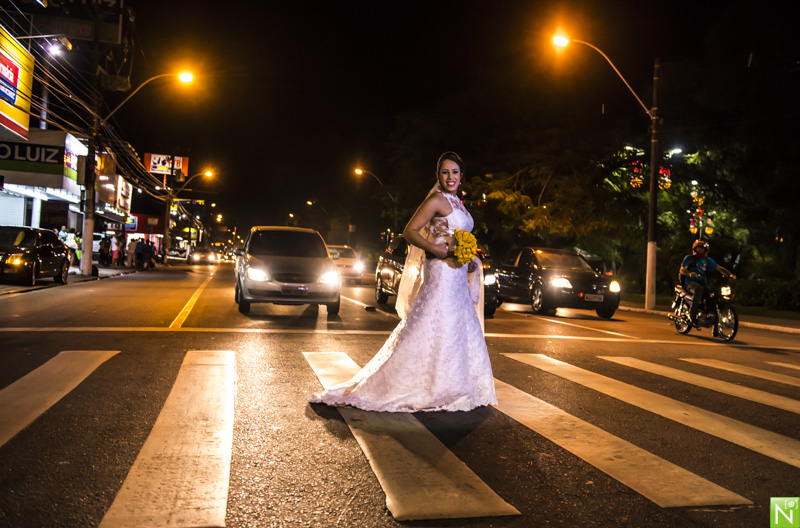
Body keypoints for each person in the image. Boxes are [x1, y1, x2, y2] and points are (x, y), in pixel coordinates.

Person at [309, 152, 496, 412]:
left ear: (462, 176)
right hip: (441, 271)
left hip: (457, 273)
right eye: (445, 172)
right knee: (434, 322)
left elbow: (457, 234)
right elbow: (410, 230)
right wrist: (437, 249)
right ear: (438, 176)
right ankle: (417, 385)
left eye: (455, 172)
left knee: (455, 325)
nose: (450, 177)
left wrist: (469, 254)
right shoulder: (437, 199)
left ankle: (454, 383)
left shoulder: (458, 202)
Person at [679, 239, 736, 326]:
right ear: (694, 249)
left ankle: (711, 317)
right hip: (690, 283)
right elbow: (682, 270)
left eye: (702, 249)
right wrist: (689, 274)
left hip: (703, 283)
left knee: (713, 294)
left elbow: (719, 268)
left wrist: (730, 275)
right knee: (698, 289)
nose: (700, 250)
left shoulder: (707, 260)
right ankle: (692, 315)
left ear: (706, 250)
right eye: (698, 248)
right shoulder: (689, 258)